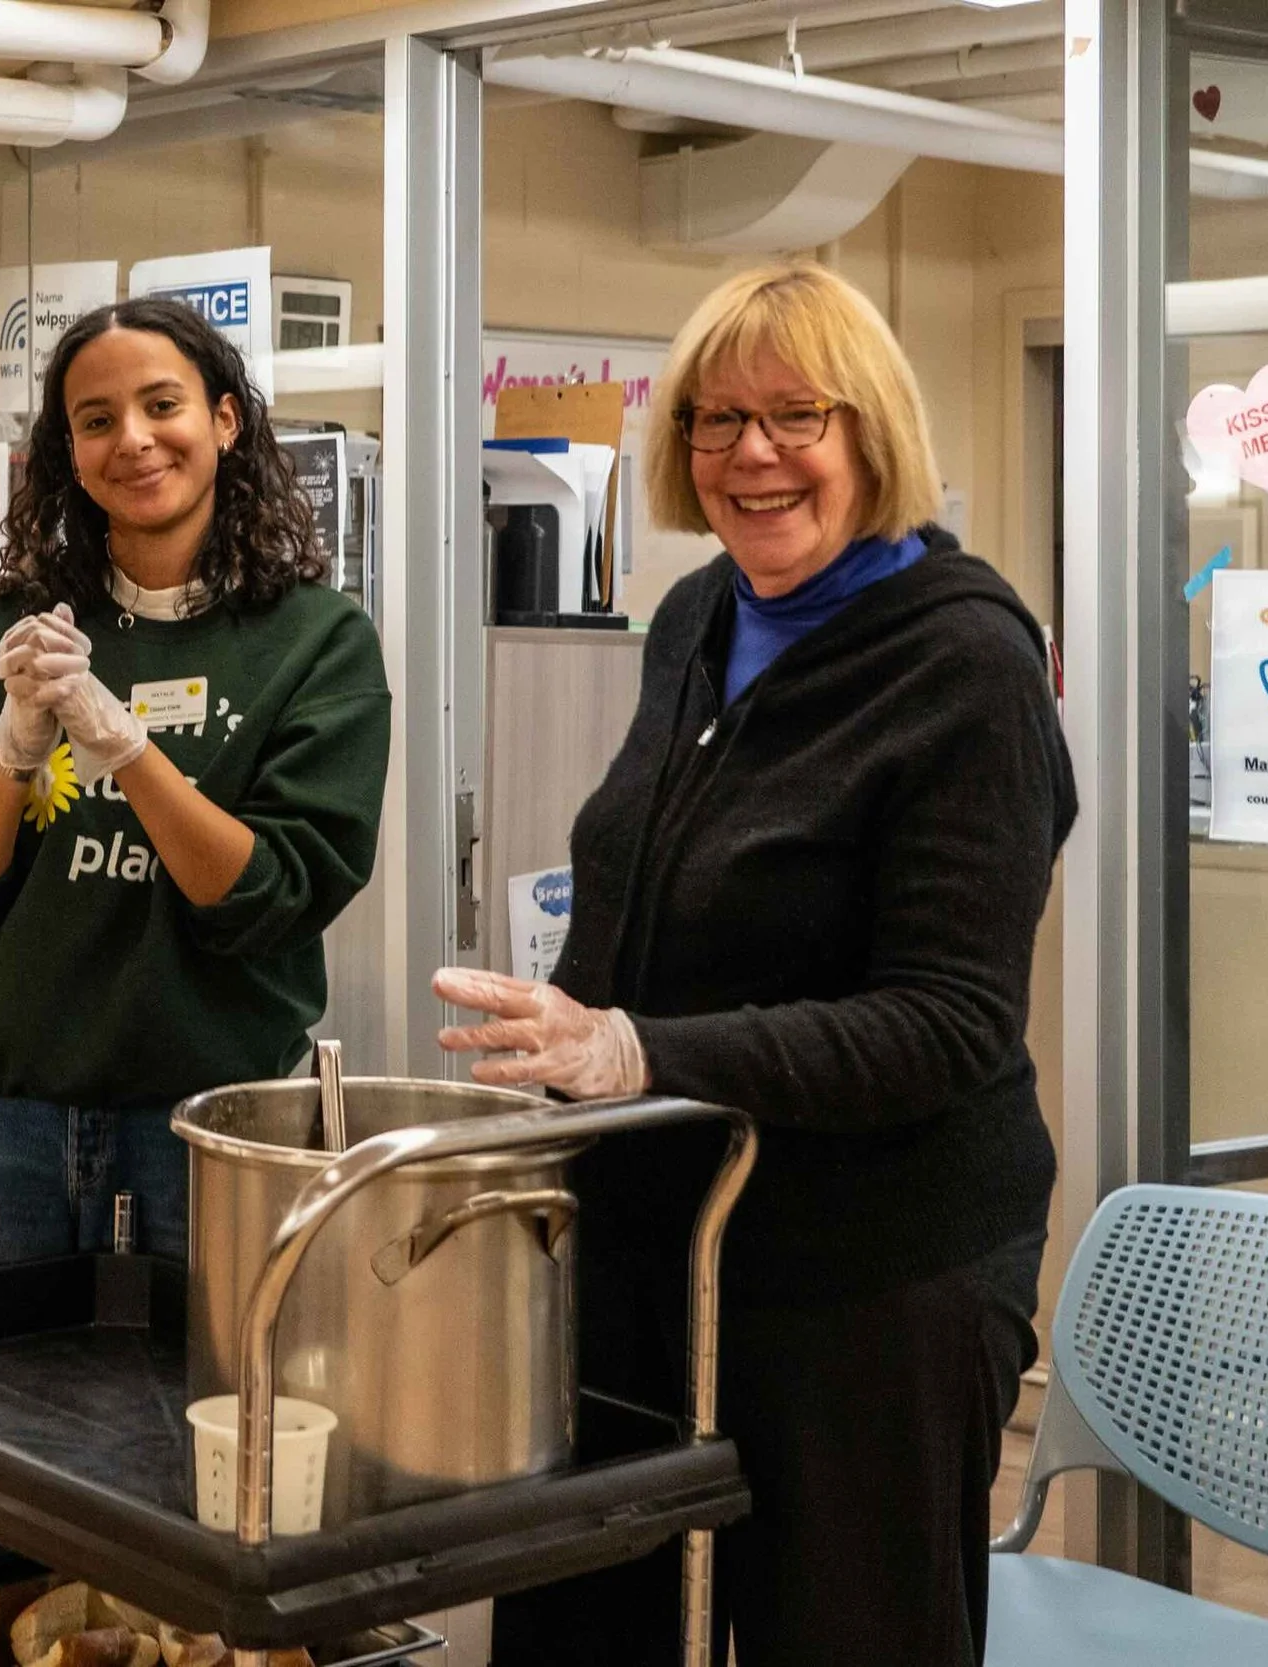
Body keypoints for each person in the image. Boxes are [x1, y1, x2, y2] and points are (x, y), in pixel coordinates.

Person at [436, 259, 1076, 1666]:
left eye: (798, 415)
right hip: (655, 1241)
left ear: (873, 436)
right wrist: (553, 1083)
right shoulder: (697, 620)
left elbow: (947, 1022)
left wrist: (644, 1050)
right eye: (716, 422)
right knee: (586, 1622)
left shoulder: (966, 666)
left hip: (870, 1278)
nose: (753, 455)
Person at [0, 296, 391, 1580]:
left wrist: (127, 748)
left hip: (203, 1129)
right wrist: (15, 745)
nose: (133, 440)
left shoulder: (312, 642)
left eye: (161, 405)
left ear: (223, 420)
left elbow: (267, 891)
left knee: (193, 1463)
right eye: (94, 419)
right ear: (66, 448)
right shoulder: (6, 626)